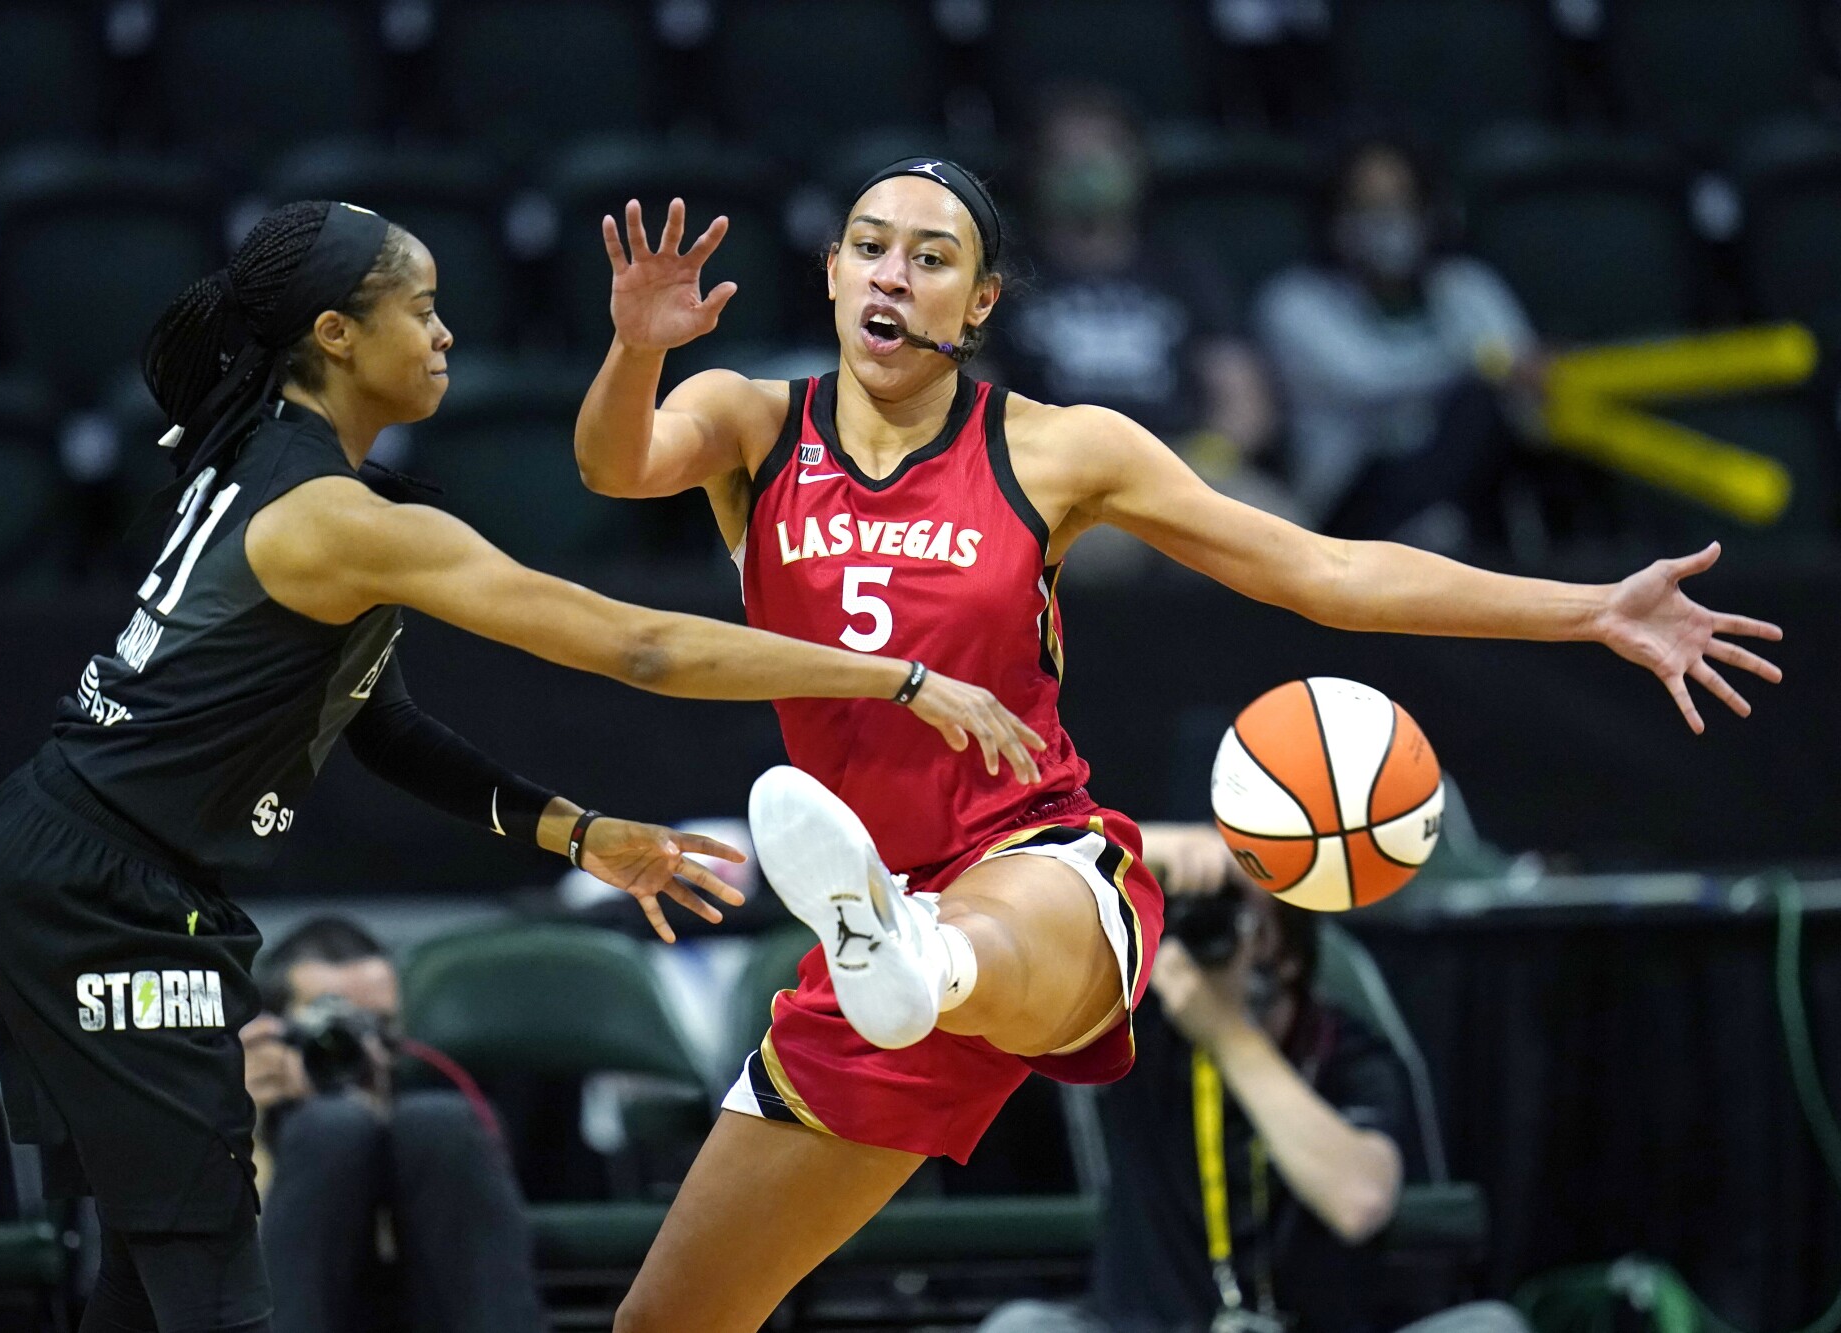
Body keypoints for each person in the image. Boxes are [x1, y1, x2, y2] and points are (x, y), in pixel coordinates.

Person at [569, 156, 1780, 1333]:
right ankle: (896, 954)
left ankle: (925, 956)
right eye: (870, 248)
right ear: (831, 272)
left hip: (1029, 862)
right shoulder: (749, 423)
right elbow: (613, 464)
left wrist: (1586, 609)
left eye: (931, 258)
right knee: (669, 1319)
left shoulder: (1058, 447)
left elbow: (1321, 572)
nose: (893, 275)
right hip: (864, 928)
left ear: (979, 301)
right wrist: (637, 345)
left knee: (978, 925)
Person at [0, 198, 1044, 1333]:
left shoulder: (269, 461)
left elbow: (375, 720)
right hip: (96, 888)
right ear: (335, 334)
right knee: (211, 1264)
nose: (445, 336)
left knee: (153, 1261)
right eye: (421, 311)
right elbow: (640, 643)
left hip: (90, 869)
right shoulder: (338, 517)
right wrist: (898, 678)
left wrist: (575, 831)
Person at [980, 827, 1529, 1333]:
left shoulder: (1346, 1050)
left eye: (1245, 922)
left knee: (1491, 1327)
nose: (1216, 942)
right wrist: (1177, 850)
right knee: (1022, 1327)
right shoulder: (1139, 1029)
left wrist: (1226, 1034)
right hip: (1152, 1325)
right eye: (1202, 921)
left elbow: (1359, 1201)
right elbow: (1039, 865)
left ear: (1286, 953)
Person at [993, 86, 1295, 559]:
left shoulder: (1183, 268)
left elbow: (1243, 396)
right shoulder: (1003, 275)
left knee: (1280, 536)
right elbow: (973, 392)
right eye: (1067, 156)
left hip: (1182, 464)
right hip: (1059, 475)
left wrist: (1202, 462)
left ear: (1135, 164)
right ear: (1036, 171)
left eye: (1102, 153)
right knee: (1084, 551)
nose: (1086, 170)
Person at [238, 916, 548, 1333]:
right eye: (335, 1028)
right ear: (275, 1031)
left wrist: (372, 1116)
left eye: (379, 1027)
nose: (364, 1049)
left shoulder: (435, 1134)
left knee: (439, 1121)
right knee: (330, 1130)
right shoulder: (246, 1112)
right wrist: (241, 1123)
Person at [1255, 136, 1544, 547]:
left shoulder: (1467, 286)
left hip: (1468, 487)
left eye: (1401, 204)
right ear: (1334, 215)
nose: (1388, 221)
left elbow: (1527, 384)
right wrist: (1491, 364)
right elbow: (1368, 381)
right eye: (1366, 206)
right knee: (1475, 401)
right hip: (1347, 506)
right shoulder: (1294, 301)